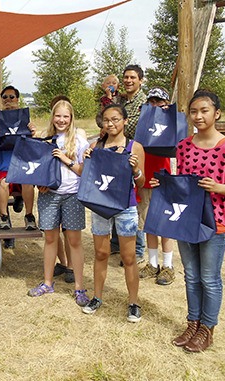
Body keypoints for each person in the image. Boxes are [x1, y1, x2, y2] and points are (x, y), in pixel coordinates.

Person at [158, 90, 225, 352]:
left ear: (216, 113)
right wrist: (163, 184)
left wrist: (217, 186)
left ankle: (208, 329)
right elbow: (182, 185)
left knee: (209, 278)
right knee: (191, 276)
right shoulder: (184, 147)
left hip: (216, 221)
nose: (198, 116)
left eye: (204, 111)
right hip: (187, 220)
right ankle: (193, 323)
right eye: (194, 111)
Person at [81, 104, 145, 323]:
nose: (111, 124)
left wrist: (136, 170)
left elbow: (142, 183)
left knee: (128, 257)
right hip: (100, 205)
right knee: (100, 253)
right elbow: (87, 176)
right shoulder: (96, 145)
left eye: (116, 119)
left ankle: (134, 303)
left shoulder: (135, 147)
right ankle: (97, 297)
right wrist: (86, 159)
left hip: (125, 206)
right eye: (107, 120)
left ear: (125, 121)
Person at [27, 100, 90, 307]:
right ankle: (47, 282)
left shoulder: (80, 142)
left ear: (71, 119)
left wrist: (66, 159)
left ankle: (79, 287)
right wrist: (41, 184)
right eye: (58, 116)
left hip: (72, 195)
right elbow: (37, 169)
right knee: (50, 239)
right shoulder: (46, 140)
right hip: (50, 196)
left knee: (74, 241)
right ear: (52, 117)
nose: (61, 120)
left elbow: (84, 171)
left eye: (66, 116)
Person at [137, 87, 176, 285]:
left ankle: (168, 265)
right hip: (145, 179)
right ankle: (153, 263)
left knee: (165, 225)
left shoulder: (171, 123)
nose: (155, 106)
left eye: (159, 102)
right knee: (149, 223)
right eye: (151, 102)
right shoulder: (143, 123)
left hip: (163, 180)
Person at [111, 64, 148, 261]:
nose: (128, 80)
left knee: (136, 201)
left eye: (132, 77)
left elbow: (134, 126)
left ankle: (138, 249)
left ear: (140, 80)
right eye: (125, 77)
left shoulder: (145, 103)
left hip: (136, 153)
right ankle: (116, 243)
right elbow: (105, 118)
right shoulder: (120, 100)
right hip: (118, 153)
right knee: (117, 195)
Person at [0, 85, 38, 230]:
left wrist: (33, 134)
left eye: (11, 97)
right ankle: (3, 217)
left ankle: (29, 216)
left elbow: (33, 148)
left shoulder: (25, 121)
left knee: (27, 182)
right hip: (5, 167)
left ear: (17, 100)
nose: (8, 100)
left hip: (21, 165)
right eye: (5, 97)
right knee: (3, 184)